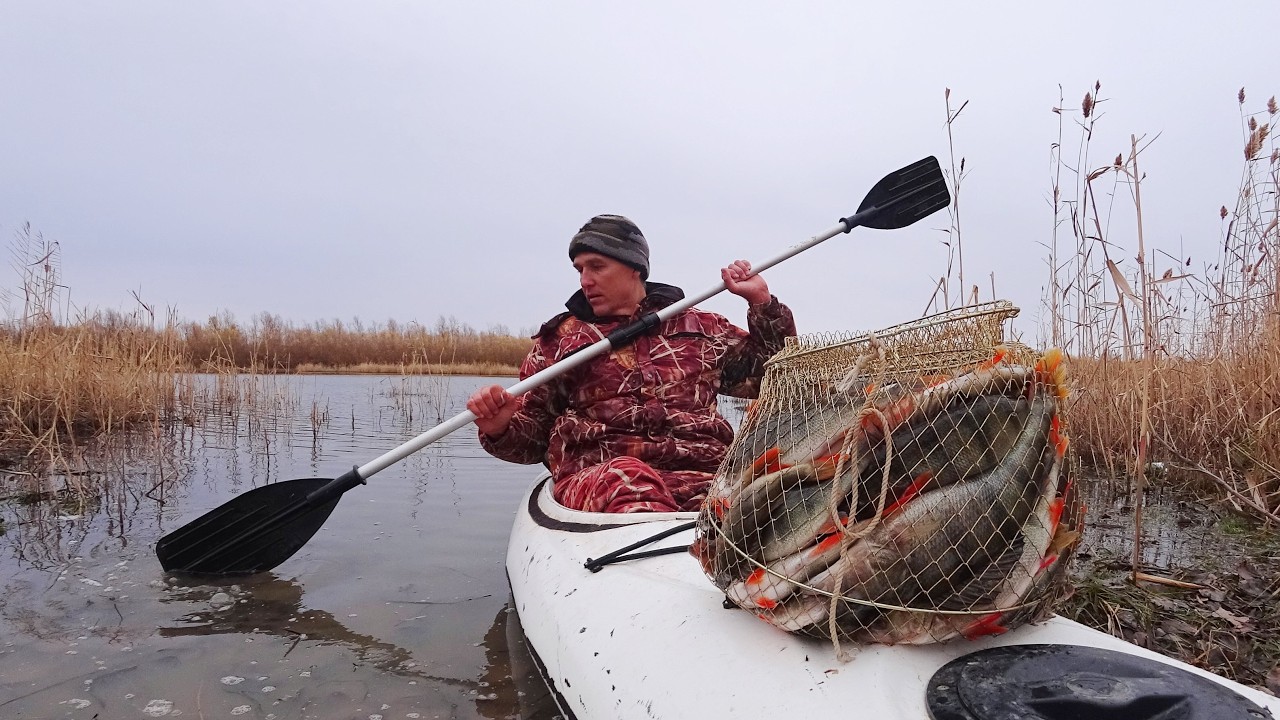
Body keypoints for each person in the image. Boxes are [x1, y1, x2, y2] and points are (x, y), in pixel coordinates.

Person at [466, 214, 796, 513]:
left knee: (776, 497)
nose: (585, 281)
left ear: (634, 267)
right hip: (604, 481)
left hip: (706, 478)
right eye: (580, 270)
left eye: (597, 267)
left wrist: (761, 301)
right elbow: (532, 443)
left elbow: (775, 378)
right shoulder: (562, 341)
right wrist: (500, 428)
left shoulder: (702, 327)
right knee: (627, 478)